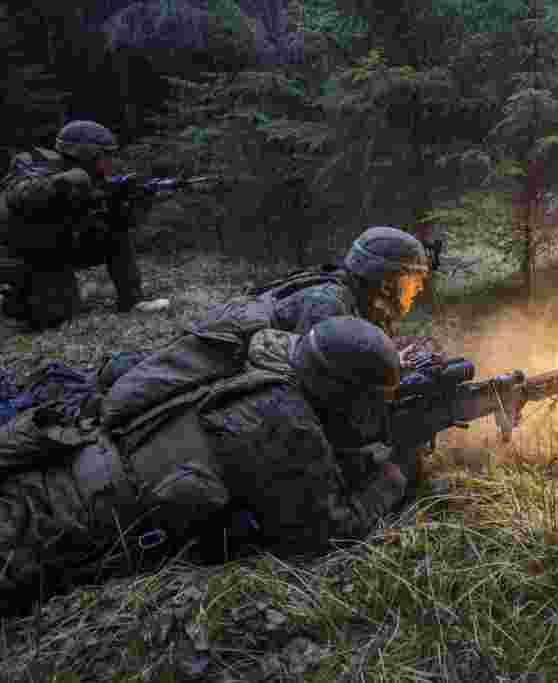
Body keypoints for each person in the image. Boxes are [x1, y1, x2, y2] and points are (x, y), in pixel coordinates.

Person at [0, 316, 412, 614]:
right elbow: (323, 533)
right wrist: (390, 479)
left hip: (66, 465)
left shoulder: (263, 355)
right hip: (59, 525)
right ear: (341, 394)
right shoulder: (286, 423)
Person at [0, 120, 156, 329]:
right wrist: (63, 183)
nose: (109, 161)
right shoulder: (35, 162)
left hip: (55, 251)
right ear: (86, 153)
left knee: (115, 232)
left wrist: (133, 204)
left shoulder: (95, 179)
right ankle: (11, 298)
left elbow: (114, 224)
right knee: (52, 318)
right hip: (17, 255)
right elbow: (19, 196)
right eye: (105, 155)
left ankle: (133, 299)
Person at [249, 225, 430, 338]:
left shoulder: (363, 306)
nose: (420, 288)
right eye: (414, 279)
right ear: (387, 283)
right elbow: (315, 382)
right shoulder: (328, 306)